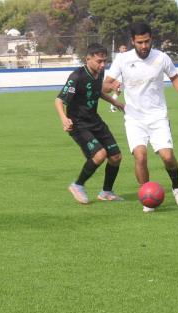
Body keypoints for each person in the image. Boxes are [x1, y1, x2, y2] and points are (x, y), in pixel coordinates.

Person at [105, 22, 178, 212]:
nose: (144, 46)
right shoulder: (122, 59)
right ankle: (147, 195)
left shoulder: (161, 57)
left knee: (168, 157)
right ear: (133, 41)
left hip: (158, 116)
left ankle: (176, 187)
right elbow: (105, 85)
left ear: (152, 38)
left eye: (147, 41)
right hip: (134, 118)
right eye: (140, 42)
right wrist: (112, 86)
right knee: (140, 157)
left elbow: (174, 77)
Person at [55, 43, 126, 204]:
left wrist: (116, 102)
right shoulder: (77, 76)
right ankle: (77, 185)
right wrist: (64, 119)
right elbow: (59, 100)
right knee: (100, 155)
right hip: (78, 124)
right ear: (88, 59)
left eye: (104, 61)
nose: (102, 65)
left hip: (95, 121)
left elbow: (97, 91)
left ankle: (106, 192)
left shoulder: (99, 73)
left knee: (116, 156)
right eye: (99, 61)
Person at [109, 44, 127, 112]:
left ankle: (112, 107)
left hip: (123, 78)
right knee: (118, 92)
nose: (125, 49)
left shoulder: (124, 56)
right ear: (119, 49)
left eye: (125, 48)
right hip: (120, 79)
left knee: (119, 92)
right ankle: (112, 107)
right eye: (123, 48)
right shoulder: (120, 56)